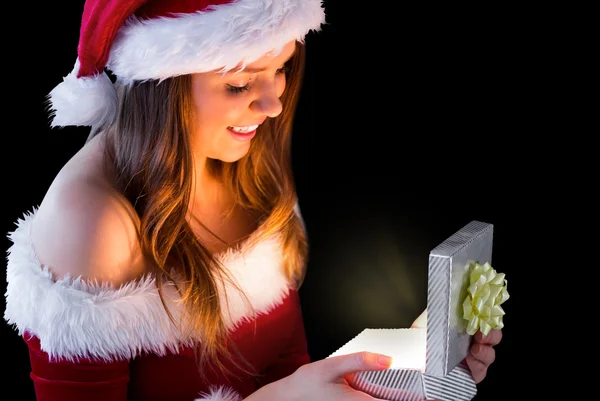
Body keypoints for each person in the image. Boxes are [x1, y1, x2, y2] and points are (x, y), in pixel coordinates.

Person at [3, 0, 503, 400]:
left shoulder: (245, 156)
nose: (273, 104)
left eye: (282, 68)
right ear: (161, 85)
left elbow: (287, 367)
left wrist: (400, 372)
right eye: (239, 83)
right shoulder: (92, 225)